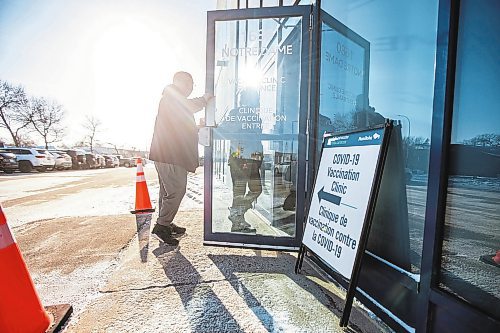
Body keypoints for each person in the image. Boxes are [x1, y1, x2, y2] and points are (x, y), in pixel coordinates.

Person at [149, 71, 212, 245]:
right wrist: (204, 99)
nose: (191, 87)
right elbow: (187, 107)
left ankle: (165, 222)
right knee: (176, 190)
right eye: (190, 83)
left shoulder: (173, 100)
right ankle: (162, 227)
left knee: (168, 192)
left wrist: (197, 128)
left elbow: (182, 128)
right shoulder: (171, 98)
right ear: (181, 82)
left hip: (168, 154)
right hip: (170, 155)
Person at [218, 88, 263, 233]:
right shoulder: (236, 114)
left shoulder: (256, 116)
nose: (256, 102)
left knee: (256, 189)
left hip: (254, 158)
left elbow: (257, 139)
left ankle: (237, 214)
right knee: (240, 191)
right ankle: (237, 222)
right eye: (255, 98)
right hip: (240, 158)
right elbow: (224, 130)